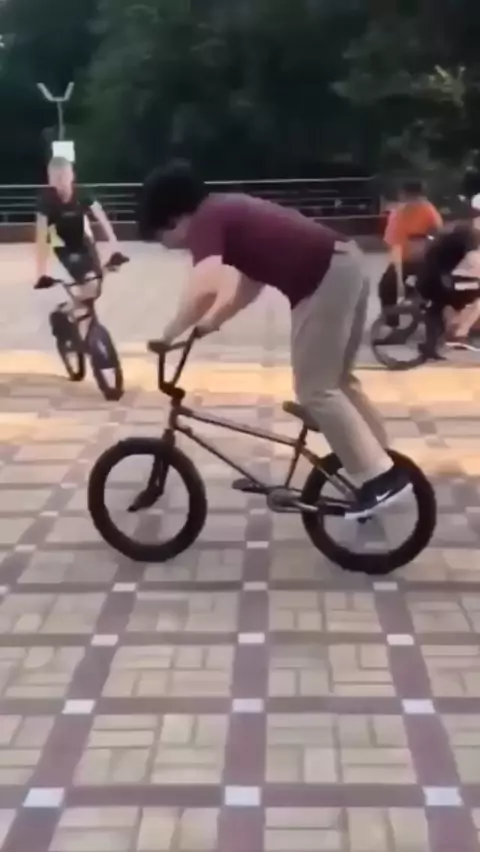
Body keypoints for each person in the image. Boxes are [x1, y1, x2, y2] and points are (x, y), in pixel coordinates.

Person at [137, 159, 412, 516]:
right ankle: (384, 462)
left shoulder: (206, 220)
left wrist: (169, 333)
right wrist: (211, 323)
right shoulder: (227, 210)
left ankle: (379, 477)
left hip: (325, 276)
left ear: (173, 218)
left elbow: (204, 287)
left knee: (315, 390)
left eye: (164, 239)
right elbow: (251, 283)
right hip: (346, 263)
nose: (172, 246)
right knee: (339, 381)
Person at [34, 157, 122, 296]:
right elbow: (41, 235)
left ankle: (74, 304)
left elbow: (101, 216)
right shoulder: (45, 201)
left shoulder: (82, 193)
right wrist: (41, 273)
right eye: (56, 178)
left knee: (96, 279)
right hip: (62, 244)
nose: (61, 182)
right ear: (50, 180)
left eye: (64, 176)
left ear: (72, 176)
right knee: (85, 281)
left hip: (83, 239)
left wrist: (114, 242)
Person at [417, 182, 480, 356]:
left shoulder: (463, 229)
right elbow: (473, 261)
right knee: (475, 299)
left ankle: (444, 338)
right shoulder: (470, 234)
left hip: (435, 277)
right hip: (440, 280)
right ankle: (458, 334)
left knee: (460, 298)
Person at [379, 180, 443, 326]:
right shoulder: (400, 210)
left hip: (422, 259)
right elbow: (392, 233)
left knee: (423, 286)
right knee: (387, 286)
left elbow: (437, 235)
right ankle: (391, 322)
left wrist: (425, 242)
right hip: (401, 257)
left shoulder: (428, 211)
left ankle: (427, 312)